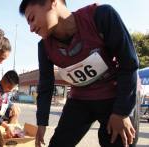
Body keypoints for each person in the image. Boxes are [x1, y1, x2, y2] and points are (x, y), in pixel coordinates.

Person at [19, 0, 139, 147]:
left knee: (120, 141)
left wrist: (122, 112)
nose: (31, 28)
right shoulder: (44, 47)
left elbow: (129, 63)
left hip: (115, 94)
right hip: (80, 99)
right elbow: (45, 85)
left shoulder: (100, 16)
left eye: (32, 18)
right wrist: (42, 123)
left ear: (52, 3)